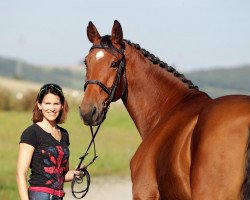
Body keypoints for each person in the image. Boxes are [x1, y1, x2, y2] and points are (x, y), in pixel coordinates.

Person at [16, 83, 81, 200]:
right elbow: (21, 174)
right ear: (39, 105)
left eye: (56, 103)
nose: (52, 108)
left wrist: (77, 173)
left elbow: (61, 174)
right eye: (47, 103)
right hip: (39, 196)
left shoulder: (64, 134)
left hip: (58, 196)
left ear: (62, 106)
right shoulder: (31, 133)